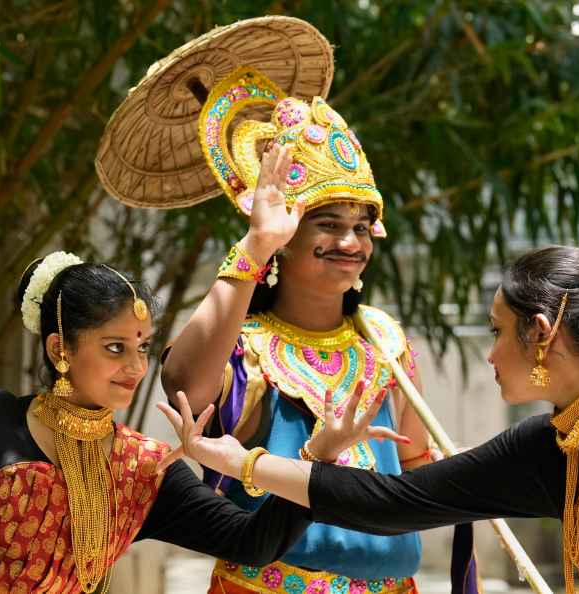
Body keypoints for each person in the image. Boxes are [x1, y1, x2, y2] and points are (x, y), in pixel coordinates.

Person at [159, 245, 579, 594]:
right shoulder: (551, 451)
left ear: (541, 332)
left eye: (499, 332)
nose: (490, 354)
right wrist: (232, 461)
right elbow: (396, 501)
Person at [160, 63, 442, 594]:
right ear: (286, 234)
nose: (351, 242)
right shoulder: (246, 346)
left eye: (361, 226)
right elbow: (184, 388)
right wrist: (254, 245)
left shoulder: (384, 339)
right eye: (329, 224)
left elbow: (413, 466)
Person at [0, 251, 355, 593]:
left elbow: (251, 542)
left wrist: (316, 458)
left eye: (141, 347)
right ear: (59, 351)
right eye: (114, 348)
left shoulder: (145, 469)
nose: (136, 367)